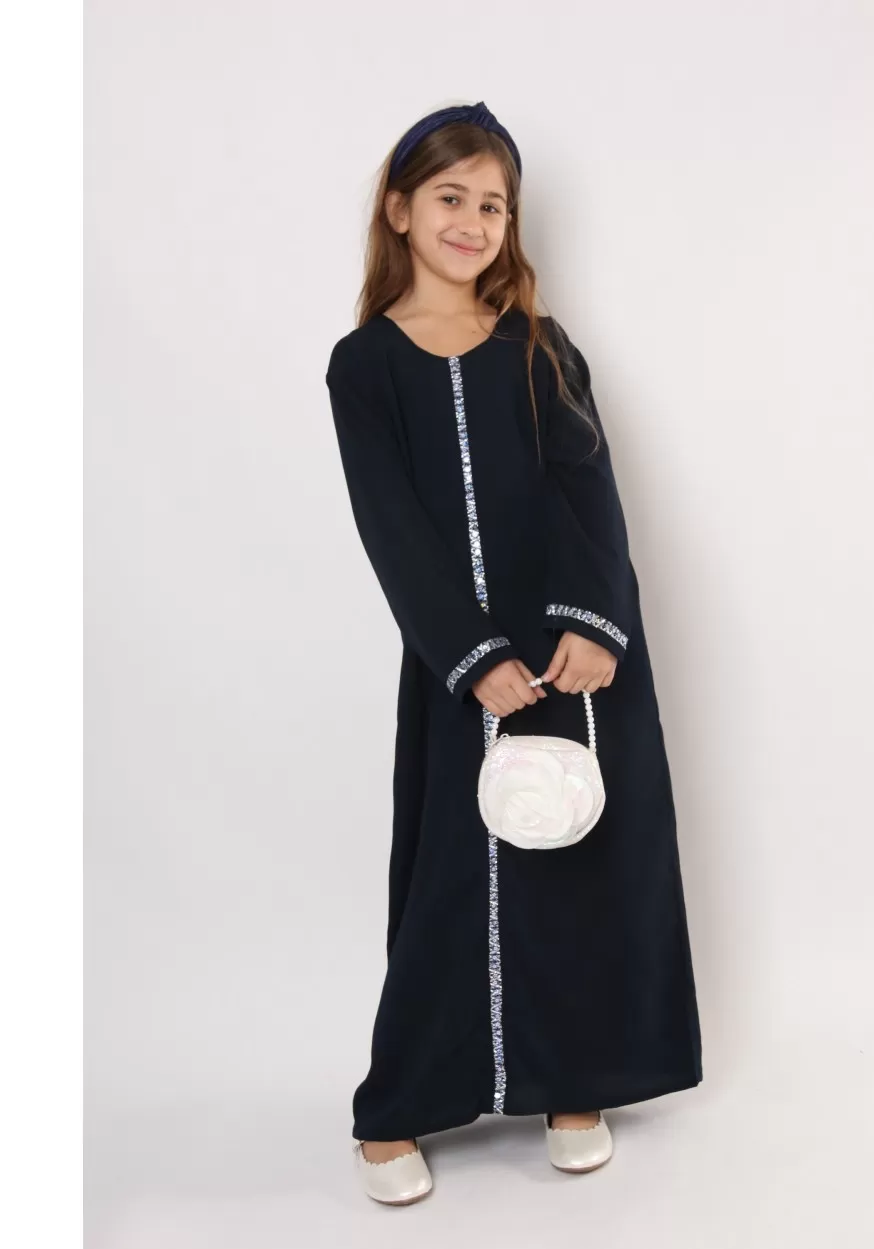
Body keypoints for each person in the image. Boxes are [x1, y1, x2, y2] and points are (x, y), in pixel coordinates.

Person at [325, 100, 703, 1206]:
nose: (474, 221)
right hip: (461, 666)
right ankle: (398, 1105)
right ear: (400, 209)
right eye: (452, 197)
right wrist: (470, 653)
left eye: (494, 205)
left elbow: (589, 488)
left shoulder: (538, 343)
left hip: (573, 660)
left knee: (578, 862)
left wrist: (593, 624)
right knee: (454, 871)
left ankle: (573, 1081)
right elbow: (390, 527)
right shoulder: (364, 366)